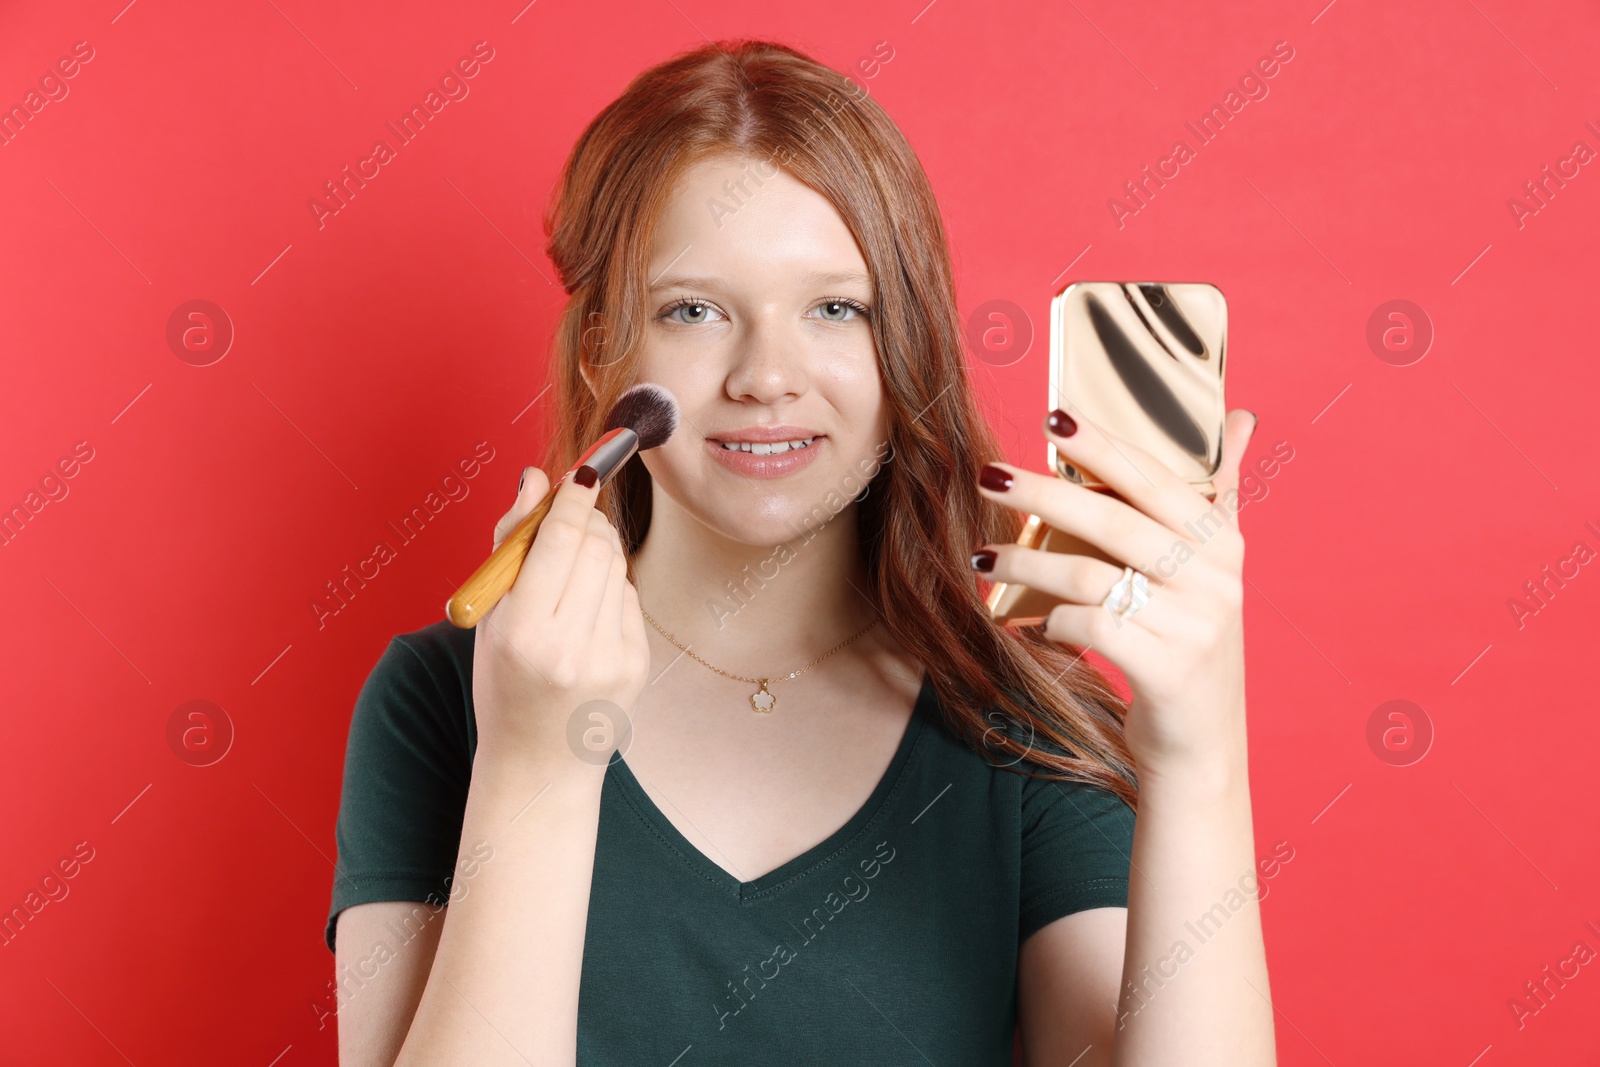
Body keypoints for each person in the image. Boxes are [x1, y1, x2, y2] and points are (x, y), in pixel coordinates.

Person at [325, 38, 1274, 1067]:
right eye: (693, 309)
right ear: (604, 345)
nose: (767, 376)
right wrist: (536, 763)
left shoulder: (1023, 720)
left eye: (835, 307)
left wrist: (1200, 754)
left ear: (900, 338)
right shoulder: (439, 698)